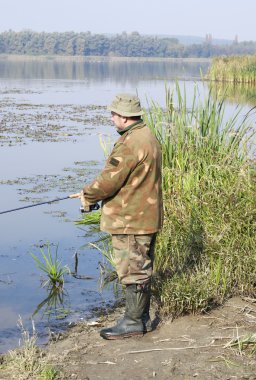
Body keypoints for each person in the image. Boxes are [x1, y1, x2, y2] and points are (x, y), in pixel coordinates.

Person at [71, 93, 163, 340]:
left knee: (133, 269)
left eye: (114, 113)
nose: (112, 117)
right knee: (140, 267)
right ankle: (139, 318)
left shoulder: (131, 142)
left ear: (124, 116)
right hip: (144, 215)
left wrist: (88, 194)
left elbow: (109, 181)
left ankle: (133, 322)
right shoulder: (147, 135)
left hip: (131, 218)